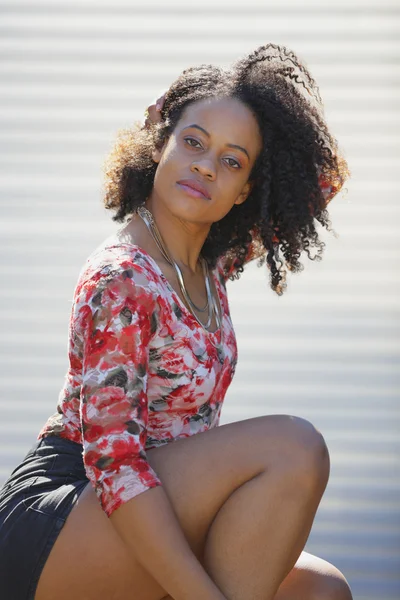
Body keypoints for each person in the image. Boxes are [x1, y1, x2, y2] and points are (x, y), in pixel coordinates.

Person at [0, 43, 352, 600]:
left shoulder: (211, 264)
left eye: (232, 161)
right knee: (294, 447)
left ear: (245, 192)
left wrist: (252, 112)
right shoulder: (122, 277)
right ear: (159, 143)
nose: (206, 165)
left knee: (322, 590)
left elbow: (323, 177)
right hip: (73, 509)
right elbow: (114, 461)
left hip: (158, 494)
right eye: (192, 141)